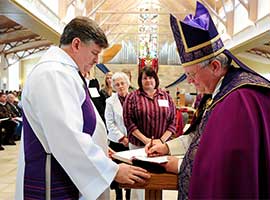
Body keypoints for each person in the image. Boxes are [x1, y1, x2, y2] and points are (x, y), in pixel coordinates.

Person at [15, 17, 150, 200]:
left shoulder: (66, 72)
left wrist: (100, 148)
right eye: (94, 53)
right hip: (53, 175)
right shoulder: (53, 74)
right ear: (76, 44)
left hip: (66, 169)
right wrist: (111, 171)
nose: (96, 60)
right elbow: (66, 135)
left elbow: (80, 123)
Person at [149, 1, 270, 199]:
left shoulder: (238, 100)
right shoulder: (219, 93)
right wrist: (167, 147)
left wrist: (179, 165)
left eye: (192, 74)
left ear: (215, 66)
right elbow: (200, 138)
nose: (189, 81)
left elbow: (227, 169)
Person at [123, 66, 176, 200]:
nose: (148, 80)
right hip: (139, 146)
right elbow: (129, 122)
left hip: (161, 148)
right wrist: (147, 140)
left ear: (156, 79)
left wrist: (161, 141)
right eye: (144, 78)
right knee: (139, 179)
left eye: (151, 77)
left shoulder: (166, 97)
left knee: (158, 179)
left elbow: (173, 121)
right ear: (140, 81)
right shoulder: (132, 97)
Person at [105, 72, 131, 200]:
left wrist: (130, 138)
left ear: (128, 84)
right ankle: (119, 196)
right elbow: (109, 123)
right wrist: (122, 138)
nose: (120, 86)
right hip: (117, 142)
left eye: (122, 83)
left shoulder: (134, 98)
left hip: (132, 142)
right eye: (117, 84)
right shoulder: (109, 101)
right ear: (113, 87)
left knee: (131, 171)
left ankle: (129, 195)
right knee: (118, 170)